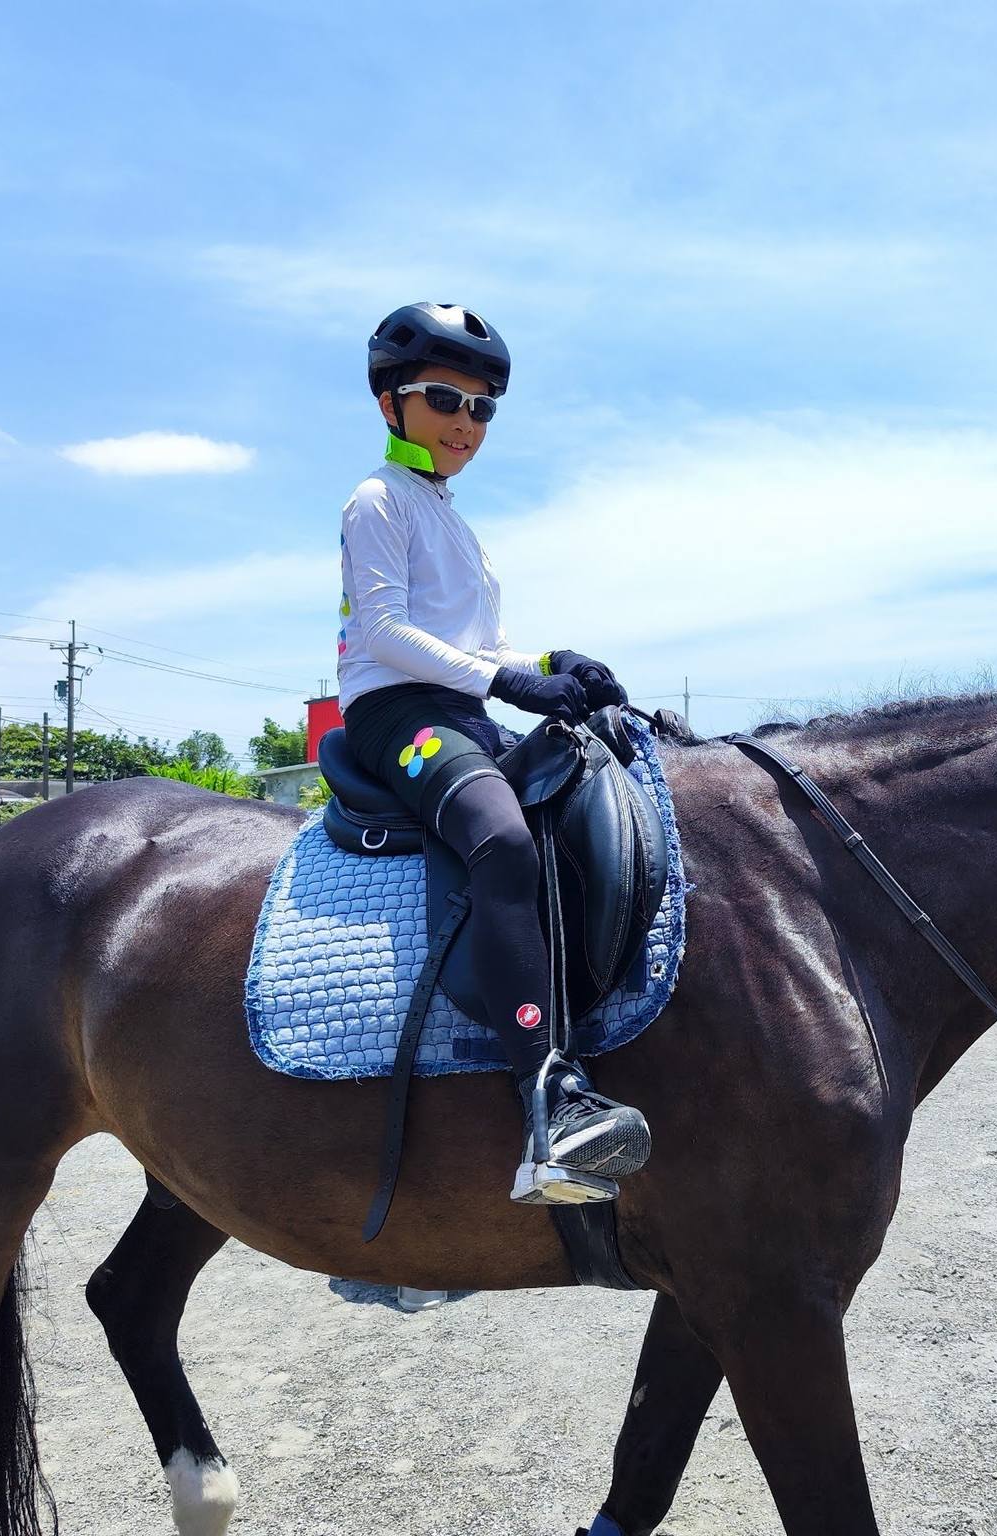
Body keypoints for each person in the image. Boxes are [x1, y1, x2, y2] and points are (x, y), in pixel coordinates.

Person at [337, 301, 651, 1205]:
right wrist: (508, 684)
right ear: (392, 403)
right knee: (501, 841)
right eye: (446, 399)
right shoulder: (379, 499)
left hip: (463, 704)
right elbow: (389, 633)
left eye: (483, 408)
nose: (467, 423)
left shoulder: (451, 517)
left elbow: (485, 638)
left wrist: (554, 665)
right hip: (398, 713)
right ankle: (548, 1103)